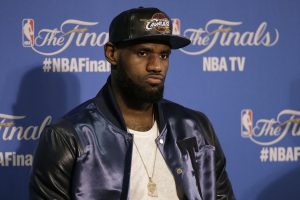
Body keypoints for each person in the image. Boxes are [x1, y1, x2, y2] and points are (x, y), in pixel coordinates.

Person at [29, 7, 235, 200]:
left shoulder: (196, 128)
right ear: (111, 54)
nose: (156, 66)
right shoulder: (68, 136)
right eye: (143, 53)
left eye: (164, 55)